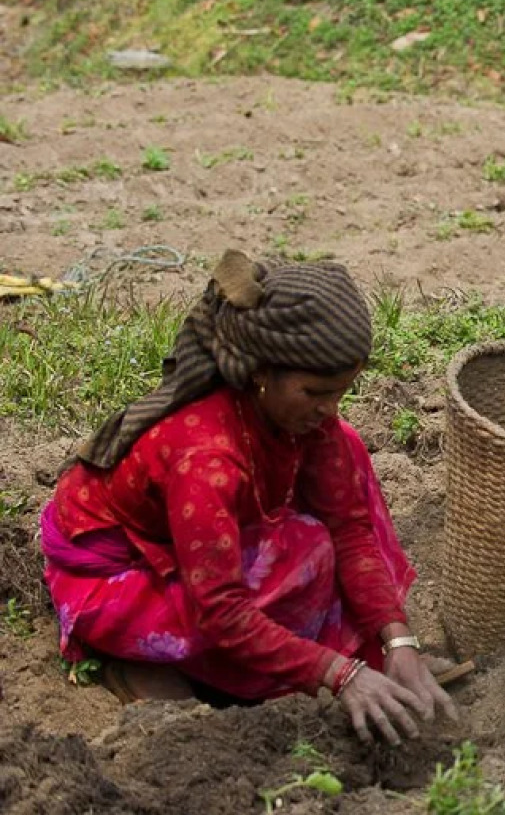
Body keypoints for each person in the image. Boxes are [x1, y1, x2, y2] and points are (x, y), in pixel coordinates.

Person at [40, 250, 458, 745]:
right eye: (315, 392)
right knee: (303, 558)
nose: (329, 408)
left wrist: (398, 639)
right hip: (118, 574)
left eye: (340, 392)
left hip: (201, 539)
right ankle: (133, 662)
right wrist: (340, 675)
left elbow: (348, 527)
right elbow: (221, 610)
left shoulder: (303, 421)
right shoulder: (206, 458)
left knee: (347, 460)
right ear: (262, 372)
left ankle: (324, 659)